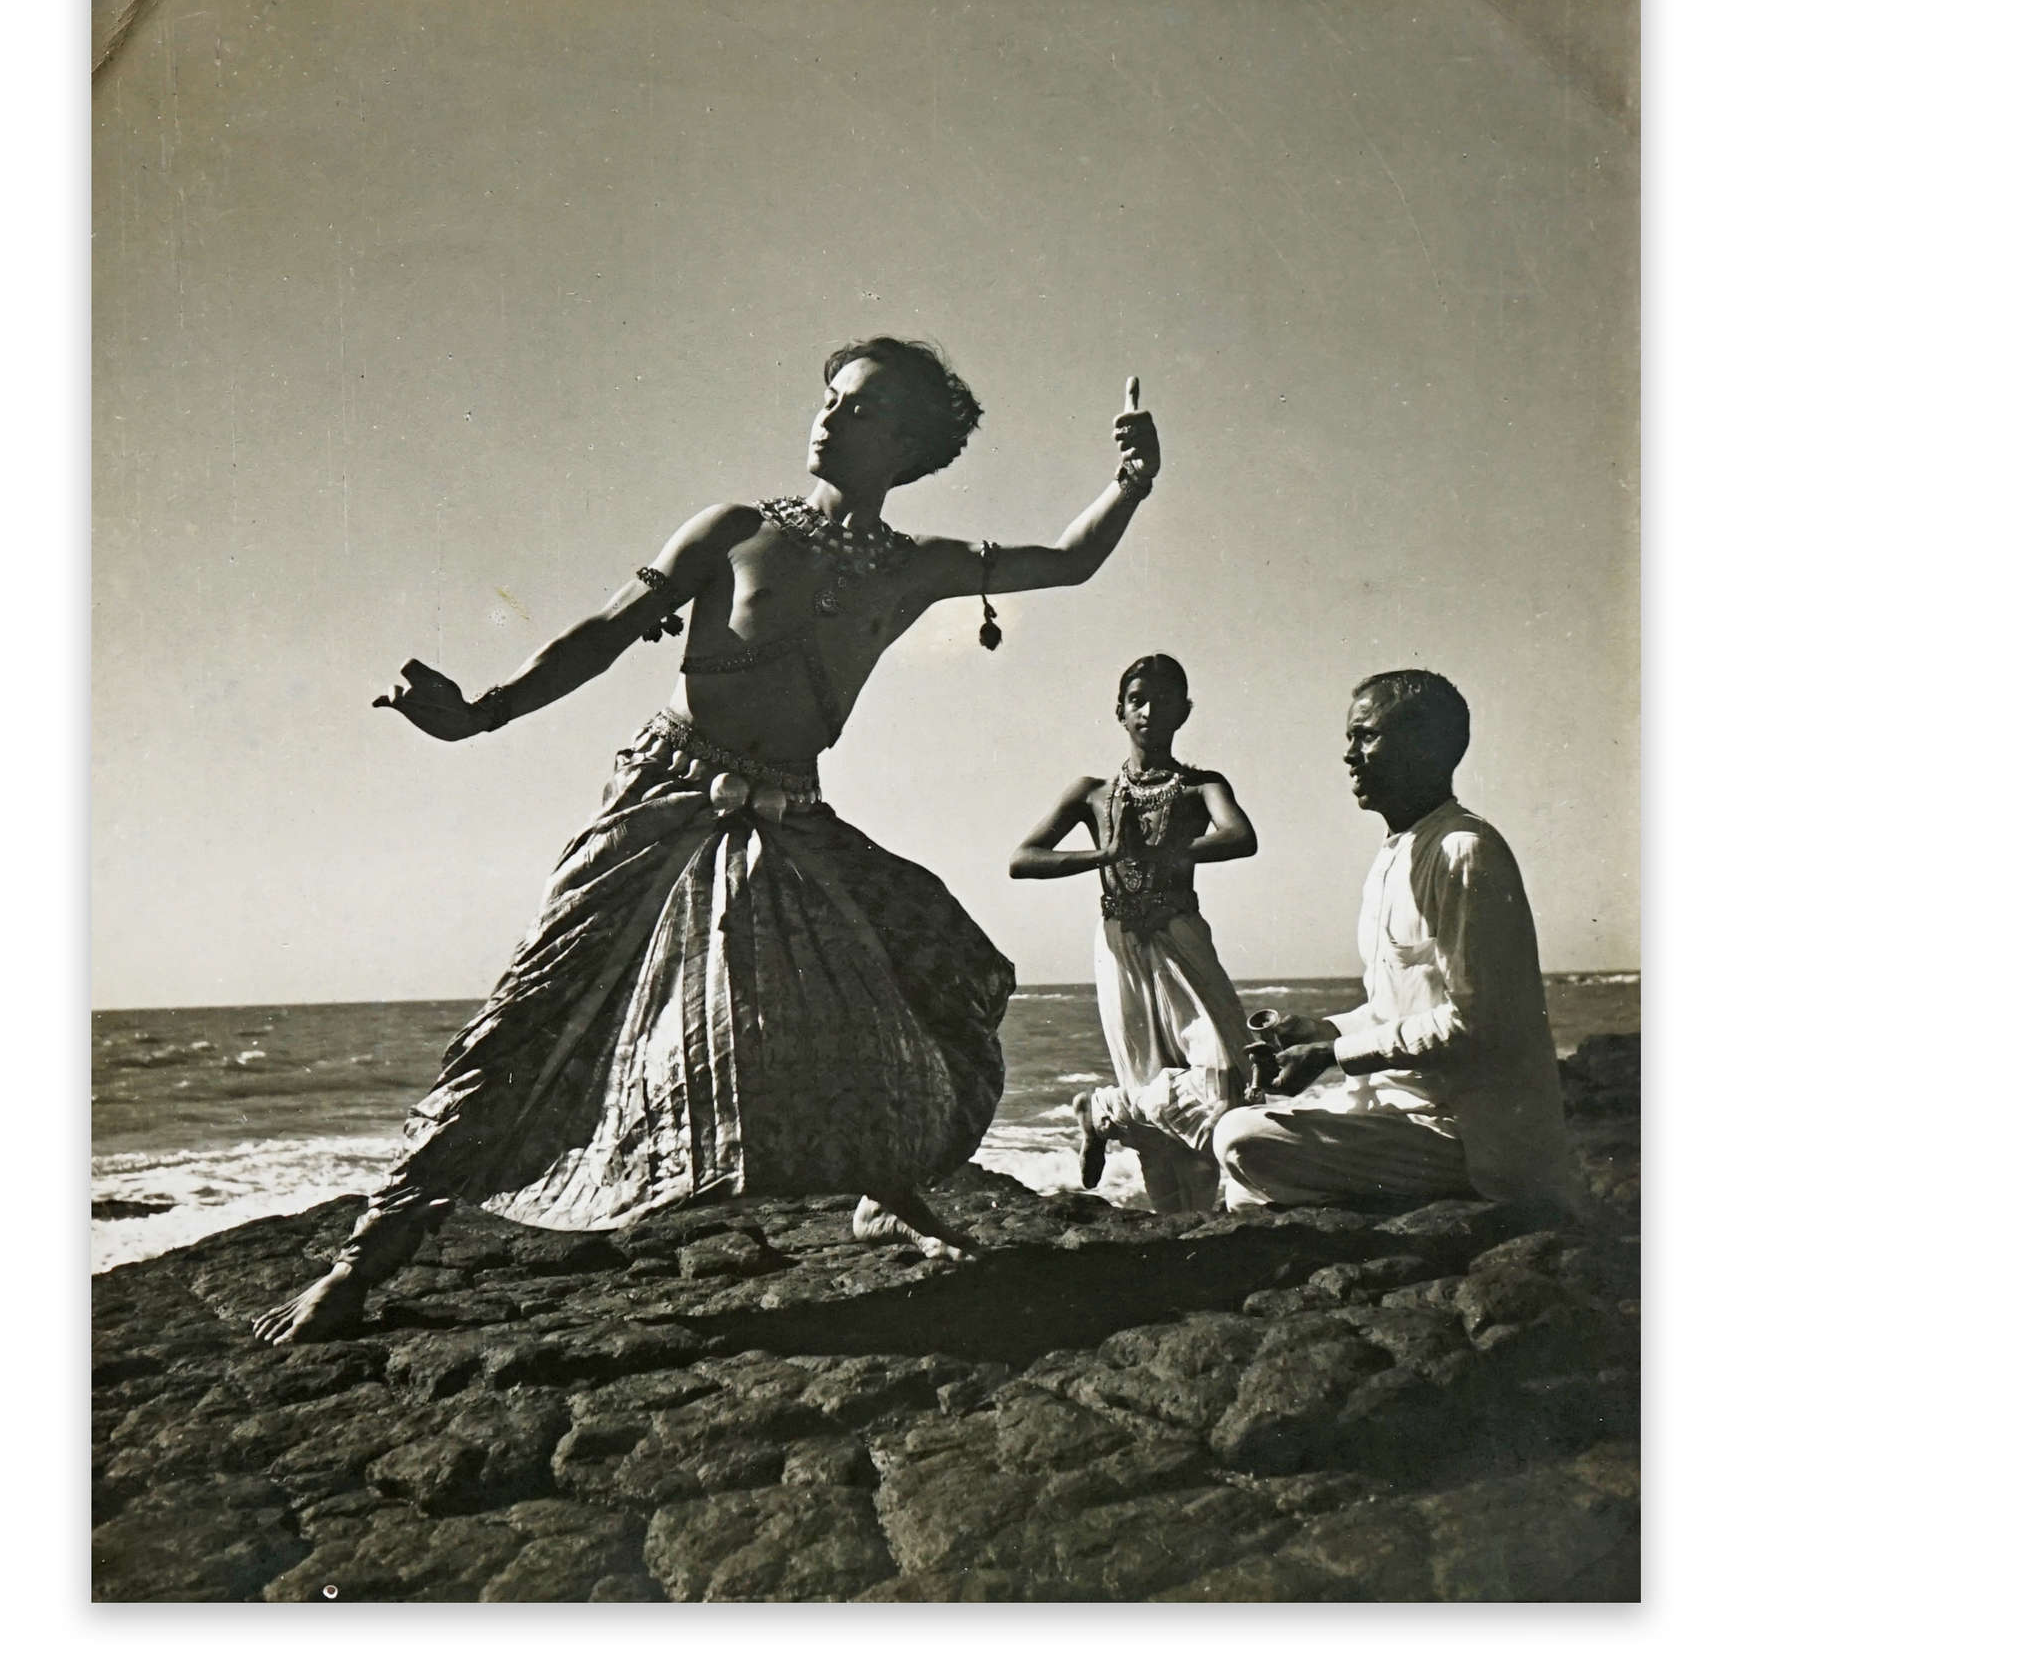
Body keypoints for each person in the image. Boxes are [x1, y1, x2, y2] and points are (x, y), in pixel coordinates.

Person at [255, 339, 1164, 1343]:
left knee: (936, 967)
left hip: (795, 814)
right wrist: (481, 713)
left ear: (903, 443)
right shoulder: (736, 529)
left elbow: (1069, 561)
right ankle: (361, 1262)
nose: (826, 417)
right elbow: (606, 630)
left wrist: (1129, 484)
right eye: (827, 398)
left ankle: (887, 1194)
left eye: (857, 410)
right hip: (665, 795)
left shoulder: (915, 568)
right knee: (529, 1018)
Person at [1209, 671, 1582, 1215]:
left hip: (1467, 1138)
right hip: (1396, 1113)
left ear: (1425, 745)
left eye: (1365, 736)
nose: (1350, 756)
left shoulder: (1463, 851)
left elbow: (1476, 1021)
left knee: (1241, 1138)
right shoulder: (1396, 853)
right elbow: (1395, 1008)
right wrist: (1322, 1031)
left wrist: (1333, 1055)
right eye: (1349, 739)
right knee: (1240, 1178)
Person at [1008, 655, 1258, 1213]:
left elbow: (1241, 836)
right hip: (1119, 940)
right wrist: (1105, 854)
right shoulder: (1092, 793)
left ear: (1184, 711)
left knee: (1227, 1078)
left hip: (1181, 934)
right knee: (1147, 1073)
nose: (1150, 711)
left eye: (1165, 700)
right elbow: (1023, 859)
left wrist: (1163, 852)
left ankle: (1102, 1111)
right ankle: (1181, 1226)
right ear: (1119, 711)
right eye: (1138, 700)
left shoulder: (1201, 785)